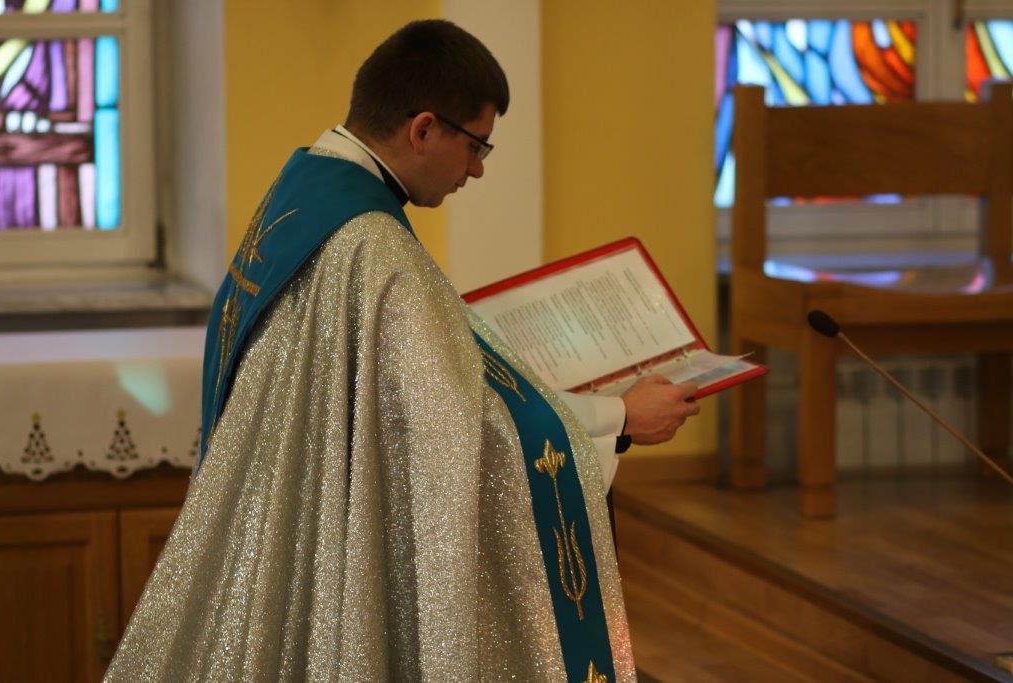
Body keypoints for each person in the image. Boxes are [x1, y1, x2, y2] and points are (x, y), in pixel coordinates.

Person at [106, 19, 698, 682]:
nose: (476, 168)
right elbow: (458, 432)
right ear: (422, 129)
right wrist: (620, 416)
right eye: (475, 145)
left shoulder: (305, 186)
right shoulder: (375, 247)